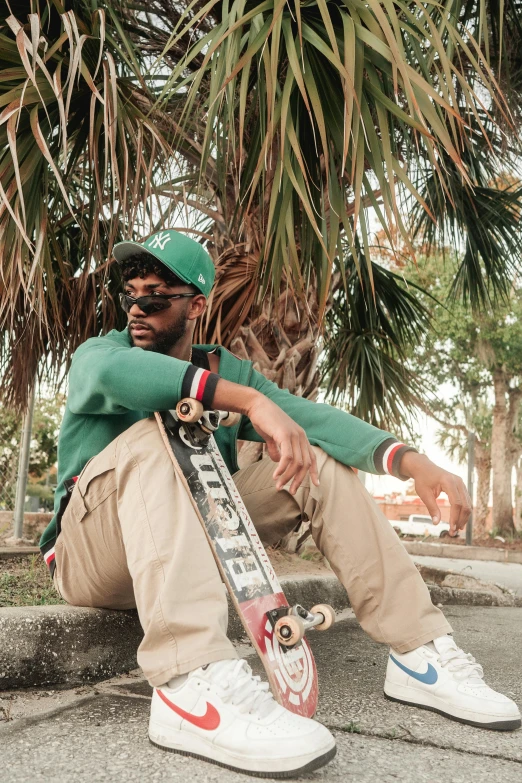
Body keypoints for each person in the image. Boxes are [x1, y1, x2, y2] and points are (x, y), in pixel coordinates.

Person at [40, 229, 521, 777]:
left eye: (154, 297)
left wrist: (412, 462)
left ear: (195, 305)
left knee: (315, 459)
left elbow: (312, 419)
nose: (136, 310)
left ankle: (419, 653)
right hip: (90, 558)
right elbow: (121, 376)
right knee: (163, 430)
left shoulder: (225, 369)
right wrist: (247, 403)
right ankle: (188, 687)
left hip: (178, 543)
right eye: (129, 296)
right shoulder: (101, 353)